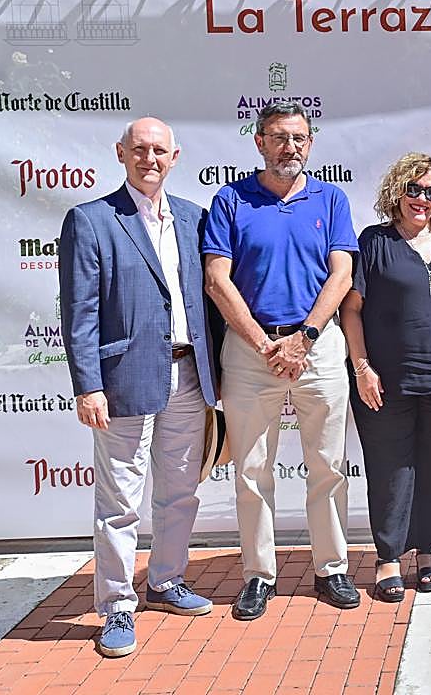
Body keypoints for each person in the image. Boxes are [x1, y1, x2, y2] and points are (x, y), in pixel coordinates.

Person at [59, 117, 220, 658]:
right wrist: (88, 385)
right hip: (123, 378)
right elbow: (79, 312)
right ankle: (117, 606)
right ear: (121, 154)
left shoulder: (197, 220)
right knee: (119, 501)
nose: (150, 159)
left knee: (180, 491)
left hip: (190, 374)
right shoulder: (92, 220)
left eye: (160, 151)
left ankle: (166, 580)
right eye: (140, 150)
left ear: (175, 157)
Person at [202, 101, 359, 619]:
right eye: (278, 137)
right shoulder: (230, 200)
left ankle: (332, 568)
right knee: (250, 469)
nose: (289, 148)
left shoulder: (331, 198)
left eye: (298, 138)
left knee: (329, 465)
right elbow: (217, 280)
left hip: (317, 347)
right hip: (252, 353)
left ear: (309, 143)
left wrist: (304, 338)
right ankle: (258, 575)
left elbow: (341, 276)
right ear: (259, 142)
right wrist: (264, 343)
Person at [340, 153, 431, 603]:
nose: (422, 199)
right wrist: (362, 368)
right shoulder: (374, 242)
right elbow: (350, 310)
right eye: (413, 189)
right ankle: (389, 556)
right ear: (397, 191)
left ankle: (428, 551)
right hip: (385, 380)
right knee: (390, 469)